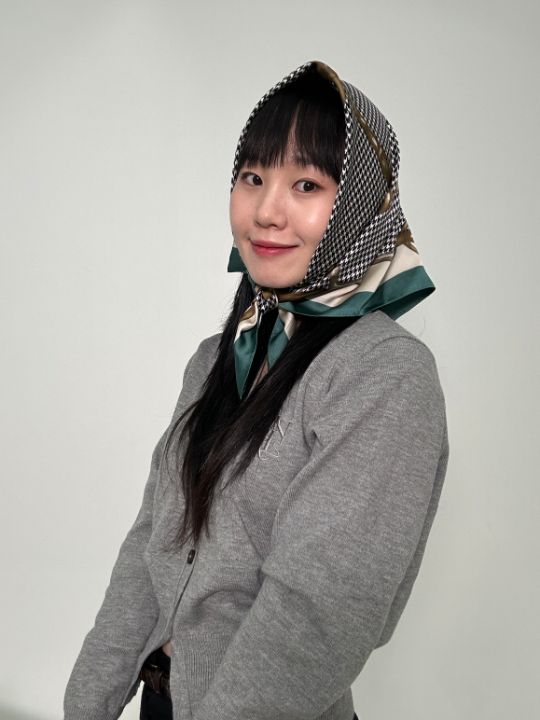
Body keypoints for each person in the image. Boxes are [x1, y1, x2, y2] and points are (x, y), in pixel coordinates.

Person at [63, 60, 450, 720]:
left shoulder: (386, 375)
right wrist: (84, 706)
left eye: (307, 183)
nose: (267, 211)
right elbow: (151, 544)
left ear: (360, 206)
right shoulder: (216, 357)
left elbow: (320, 612)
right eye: (252, 177)